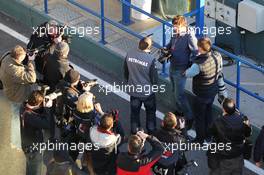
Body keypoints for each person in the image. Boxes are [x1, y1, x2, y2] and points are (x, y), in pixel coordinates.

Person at [184, 37, 222, 143]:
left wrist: (185, 70)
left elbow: (188, 74)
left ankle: (199, 139)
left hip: (201, 94)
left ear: (200, 48)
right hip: (212, 90)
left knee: (199, 118)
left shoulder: (198, 64)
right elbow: (220, 69)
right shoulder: (217, 56)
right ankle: (209, 136)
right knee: (208, 114)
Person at [0, 45, 37, 148]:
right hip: (16, 96)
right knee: (16, 118)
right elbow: (32, 78)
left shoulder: (7, 56)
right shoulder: (15, 71)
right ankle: (15, 142)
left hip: (10, 91)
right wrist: (30, 62)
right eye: (23, 56)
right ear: (19, 57)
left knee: (16, 115)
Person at [166, 15, 198, 128]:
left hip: (181, 70)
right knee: (174, 90)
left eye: (177, 27)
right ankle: (179, 111)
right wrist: (166, 49)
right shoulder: (174, 32)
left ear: (183, 25)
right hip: (172, 66)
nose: (174, 29)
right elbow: (171, 44)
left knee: (179, 95)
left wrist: (189, 68)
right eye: (174, 26)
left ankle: (189, 117)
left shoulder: (189, 36)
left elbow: (196, 53)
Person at [124, 36, 158, 134]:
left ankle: (134, 131)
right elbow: (154, 79)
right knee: (150, 112)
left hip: (134, 90)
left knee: (134, 113)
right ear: (149, 47)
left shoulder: (129, 54)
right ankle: (151, 130)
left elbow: (126, 72)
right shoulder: (151, 59)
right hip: (147, 93)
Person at [207, 98, 252, 175]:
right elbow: (248, 134)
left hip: (223, 158)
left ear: (224, 109)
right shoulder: (242, 120)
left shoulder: (218, 122)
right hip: (238, 156)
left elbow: (211, 131)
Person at [20, 90, 54, 175]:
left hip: (26, 145)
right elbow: (47, 124)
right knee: (35, 171)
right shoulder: (30, 117)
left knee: (30, 167)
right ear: (37, 104)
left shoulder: (23, 107)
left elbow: (36, 111)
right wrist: (47, 108)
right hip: (33, 151)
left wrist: (42, 102)